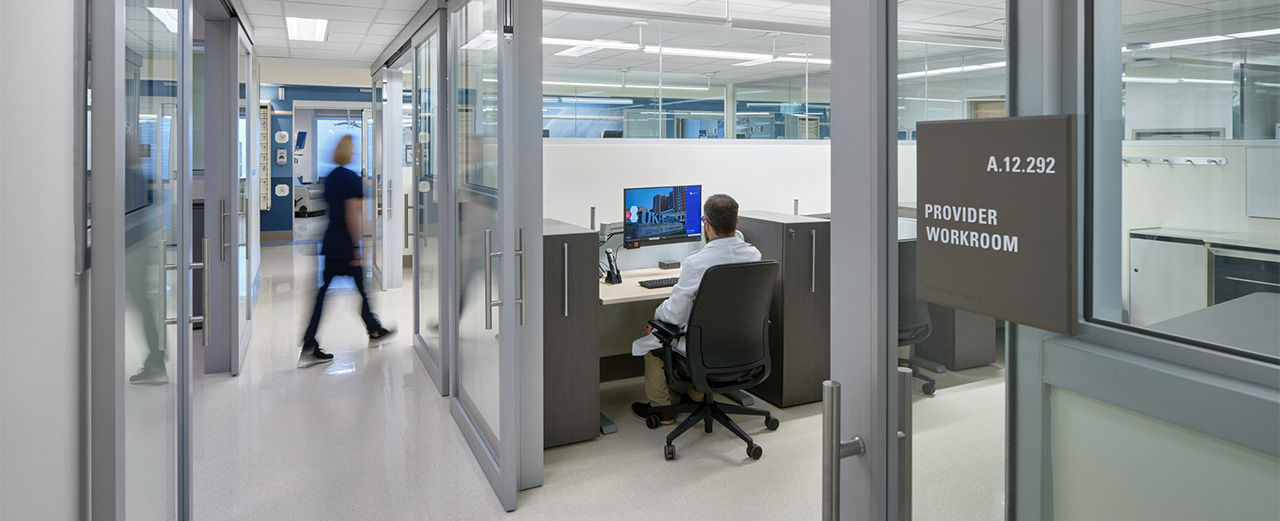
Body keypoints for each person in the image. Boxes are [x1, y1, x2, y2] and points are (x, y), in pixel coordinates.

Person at [630, 194, 761, 424]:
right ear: (737, 222)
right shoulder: (754, 255)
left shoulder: (698, 262)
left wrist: (655, 319)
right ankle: (696, 395)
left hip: (703, 351)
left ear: (706, 224)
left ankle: (662, 409)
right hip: (742, 346)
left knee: (653, 338)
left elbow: (673, 313)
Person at [299, 135, 394, 368]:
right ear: (348, 153)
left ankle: (311, 342)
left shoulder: (330, 178)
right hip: (345, 244)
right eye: (352, 151)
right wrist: (357, 248)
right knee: (361, 287)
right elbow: (353, 215)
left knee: (326, 292)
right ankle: (373, 330)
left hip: (331, 241)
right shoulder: (351, 179)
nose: (353, 154)